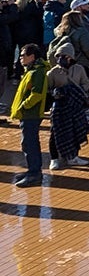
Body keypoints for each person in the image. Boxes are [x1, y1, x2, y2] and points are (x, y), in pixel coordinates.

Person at [46, 48, 89, 170]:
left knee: (75, 131)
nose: (61, 59)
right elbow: (48, 89)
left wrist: (76, 91)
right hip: (59, 107)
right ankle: (54, 158)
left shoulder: (79, 69)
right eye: (59, 56)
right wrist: (57, 93)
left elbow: (86, 83)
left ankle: (73, 157)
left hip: (75, 105)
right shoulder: (52, 72)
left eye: (65, 56)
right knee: (56, 132)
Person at [9, 43, 46, 186]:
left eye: (23, 55)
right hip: (27, 114)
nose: (20, 58)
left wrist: (24, 106)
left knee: (30, 143)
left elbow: (36, 94)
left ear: (32, 56)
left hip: (31, 114)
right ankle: (32, 170)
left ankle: (35, 173)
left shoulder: (37, 72)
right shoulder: (30, 71)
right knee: (27, 143)